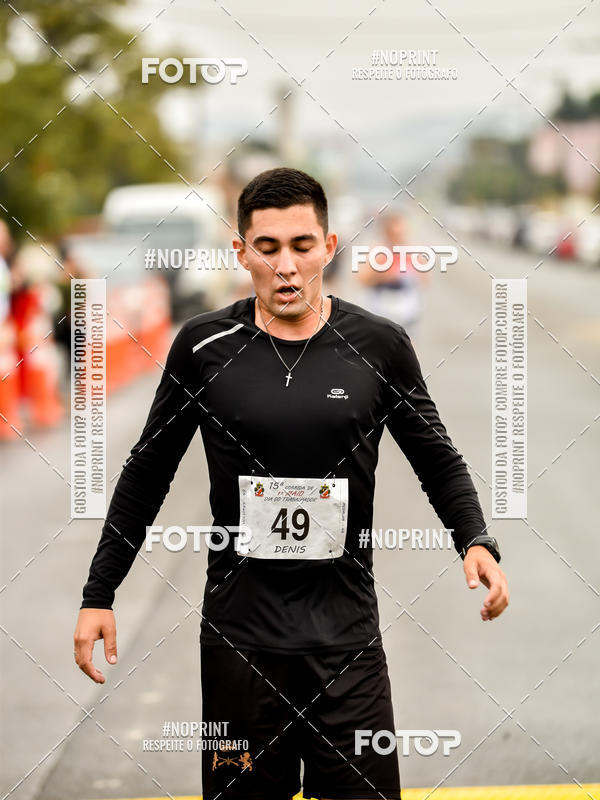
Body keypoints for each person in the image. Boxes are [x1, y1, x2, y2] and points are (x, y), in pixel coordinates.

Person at [74, 167, 509, 800]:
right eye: (268, 247)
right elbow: (147, 472)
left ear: (328, 248)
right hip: (240, 645)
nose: (286, 266)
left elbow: (436, 458)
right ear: (241, 252)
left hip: (347, 644)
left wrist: (475, 539)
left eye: (302, 246)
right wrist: (99, 593)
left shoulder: (379, 345)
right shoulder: (203, 346)